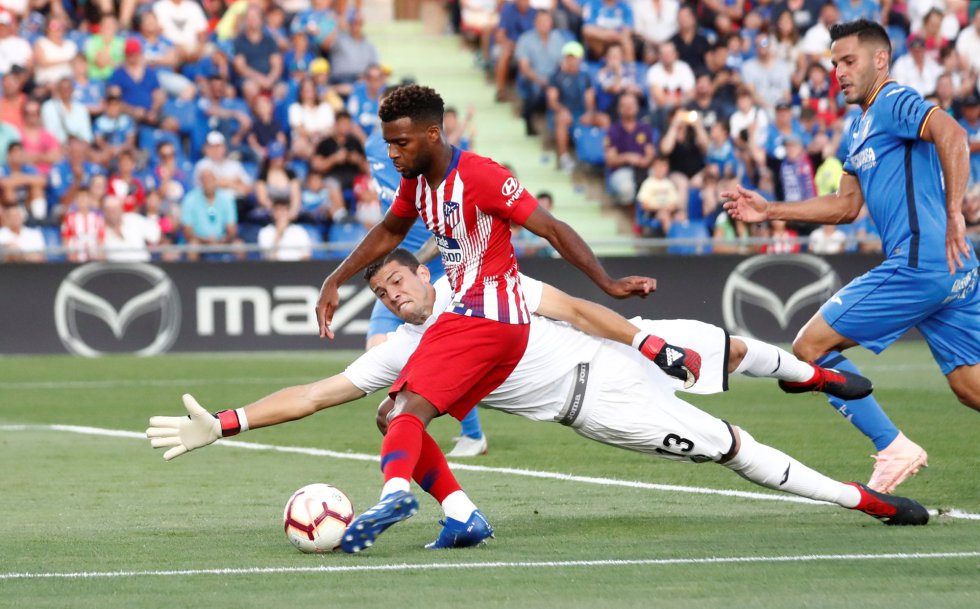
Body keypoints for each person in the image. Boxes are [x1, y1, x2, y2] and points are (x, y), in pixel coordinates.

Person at [146, 250, 923, 553]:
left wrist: (646, 343)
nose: (392, 294)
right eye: (380, 292)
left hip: (619, 342)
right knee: (734, 447)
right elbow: (316, 392)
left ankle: (813, 374)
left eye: (396, 281)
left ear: (422, 273)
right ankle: (865, 501)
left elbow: (575, 309)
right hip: (600, 406)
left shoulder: (483, 281)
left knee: (735, 346)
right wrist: (227, 420)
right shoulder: (403, 349)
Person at [312, 85, 680, 552]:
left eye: (400, 143)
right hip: (479, 321)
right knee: (394, 415)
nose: (392, 153)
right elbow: (389, 229)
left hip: (487, 316)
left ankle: (396, 494)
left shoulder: (482, 175)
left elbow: (550, 227)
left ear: (431, 133)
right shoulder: (418, 182)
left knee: (404, 409)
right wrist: (336, 278)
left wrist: (606, 282)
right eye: (388, 143)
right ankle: (462, 516)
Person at [724, 19, 980, 495]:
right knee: (970, 387)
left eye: (848, 61)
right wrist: (771, 209)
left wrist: (954, 212)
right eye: (834, 64)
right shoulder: (858, 126)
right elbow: (845, 206)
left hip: (921, 262)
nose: (838, 72)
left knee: (808, 347)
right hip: (952, 268)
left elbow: (953, 135)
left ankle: (892, 446)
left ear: (880, 59)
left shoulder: (893, 100)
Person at [363, 84, 488, 458]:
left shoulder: (430, 158)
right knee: (378, 350)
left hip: (436, 268)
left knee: (444, 357)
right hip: (400, 269)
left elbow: (447, 224)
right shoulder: (375, 148)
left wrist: (413, 259)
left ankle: (470, 434)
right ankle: (409, 429)